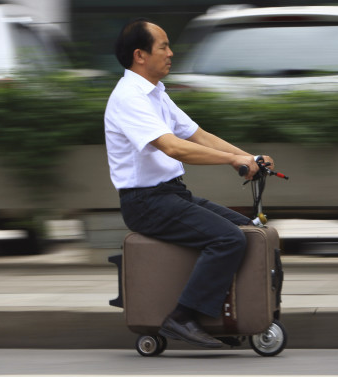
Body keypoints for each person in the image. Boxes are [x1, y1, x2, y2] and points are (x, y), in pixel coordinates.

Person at [104, 18, 275, 348]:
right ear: (140, 55)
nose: (171, 52)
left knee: (247, 231)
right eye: (164, 46)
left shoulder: (156, 94)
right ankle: (183, 317)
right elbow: (172, 146)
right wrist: (231, 161)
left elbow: (197, 135)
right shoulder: (129, 97)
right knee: (228, 239)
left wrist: (249, 158)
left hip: (171, 194)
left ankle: (227, 317)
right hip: (146, 202)